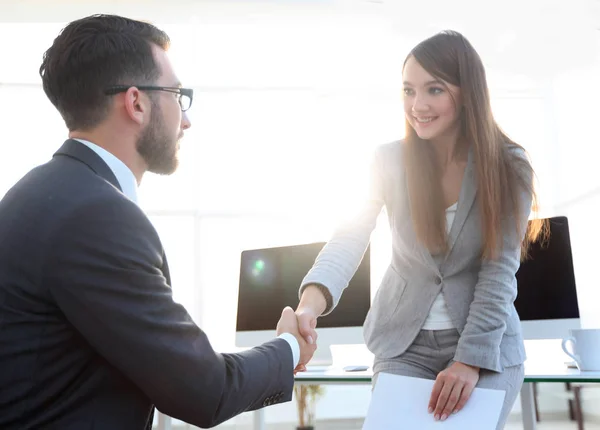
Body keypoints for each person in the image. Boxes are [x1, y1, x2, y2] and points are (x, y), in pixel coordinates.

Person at [0, 14, 315, 429]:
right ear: (136, 102)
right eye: (178, 95)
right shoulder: (96, 216)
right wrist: (290, 346)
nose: (186, 119)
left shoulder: (39, 192)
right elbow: (205, 391)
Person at [294, 30, 546, 429]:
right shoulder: (387, 160)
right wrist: (310, 304)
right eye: (409, 91)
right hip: (404, 346)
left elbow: (499, 270)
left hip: (485, 348)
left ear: (467, 93)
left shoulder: (508, 166)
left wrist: (469, 360)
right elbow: (351, 235)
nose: (418, 105)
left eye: (434, 90)